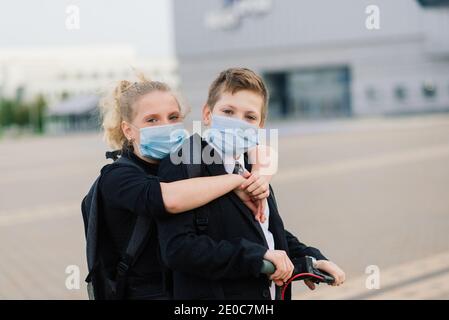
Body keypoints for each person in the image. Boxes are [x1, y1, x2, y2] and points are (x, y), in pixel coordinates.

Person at [155, 68, 346, 300]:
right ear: (207, 114)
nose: (238, 123)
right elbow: (179, 249)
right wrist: (258, 257)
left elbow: (262, 230)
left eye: (250, 117)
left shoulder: (253, 168)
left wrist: (311, 259)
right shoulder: (184, 164)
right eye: (228, 111)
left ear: (261, 124)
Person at [92, 75, 265, 299]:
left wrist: (258, 173)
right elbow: (169, 199)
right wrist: (236, 180)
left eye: (173, 117)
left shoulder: (190, 164)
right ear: (128, 130)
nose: (165, 126)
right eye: (152, 120)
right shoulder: (117, 177)